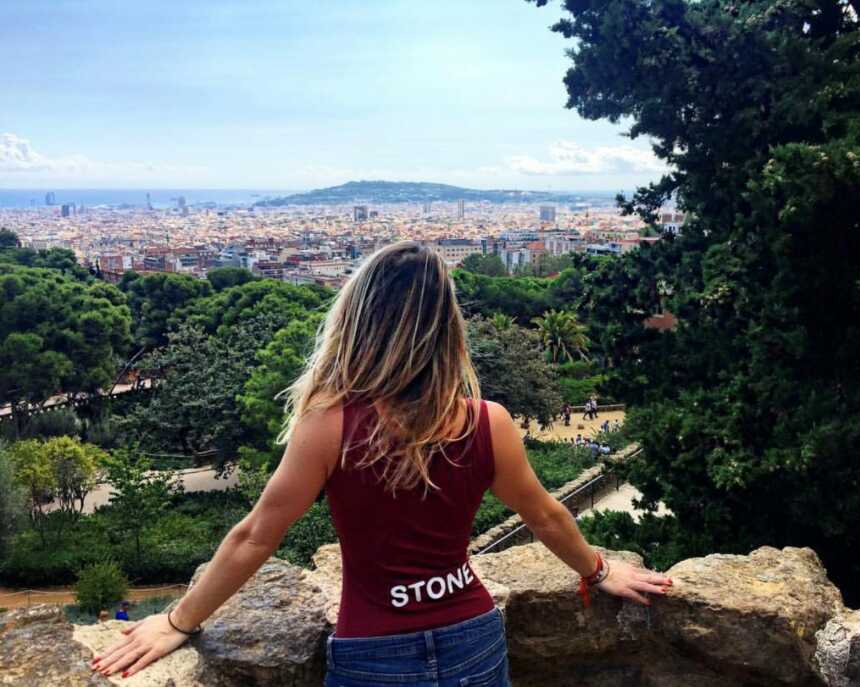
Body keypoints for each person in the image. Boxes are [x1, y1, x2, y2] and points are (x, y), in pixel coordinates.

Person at [90, 242, 672, 684]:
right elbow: (544, 515)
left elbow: (256, 535)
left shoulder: (330, 421)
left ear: (358, 319)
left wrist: (178, 621)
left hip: (374, 649)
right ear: (448, 327)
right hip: (474, 636)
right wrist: (599, 572)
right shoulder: (487, 419)